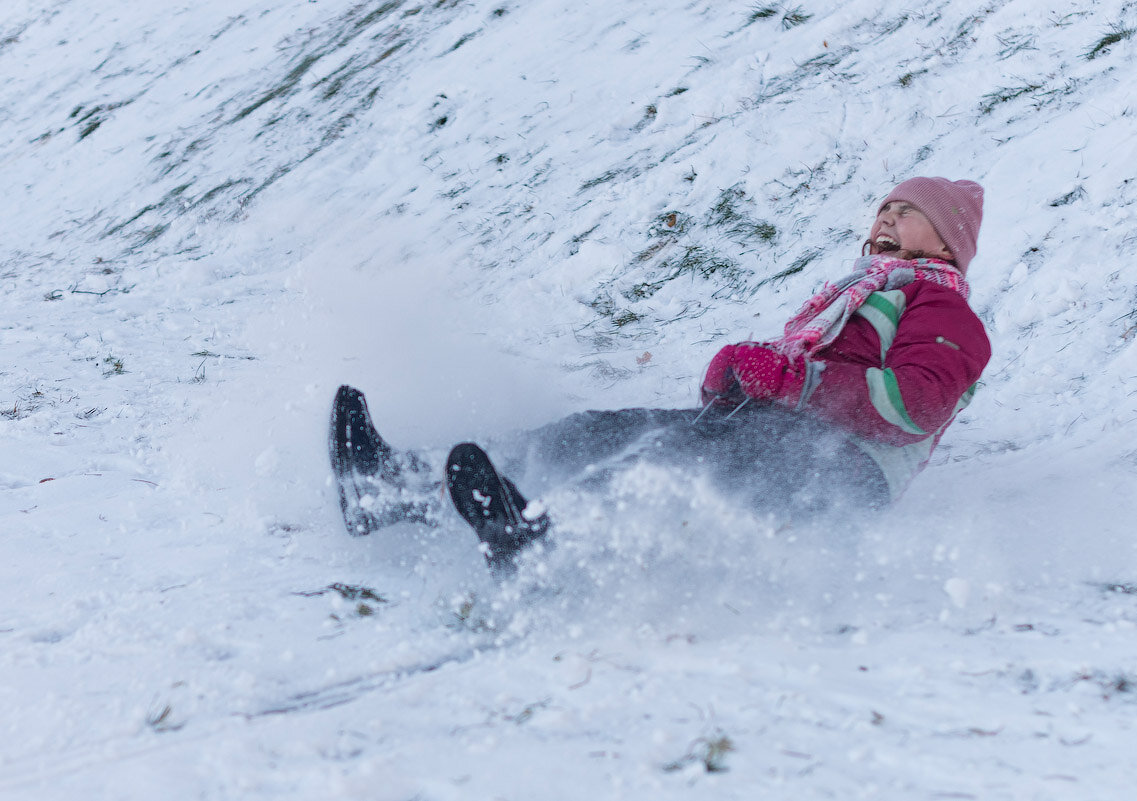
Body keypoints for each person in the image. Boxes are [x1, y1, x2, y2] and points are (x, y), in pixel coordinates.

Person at [329, 177, 991, 573]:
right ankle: (392, 488)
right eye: (883, 207)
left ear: (945, 243)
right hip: (766, 428)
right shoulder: (850, 294)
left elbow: (916, 405)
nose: (886, 218)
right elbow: (794, 374)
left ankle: (547, 552)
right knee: (598, 431)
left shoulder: (942, 307)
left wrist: (795, 384)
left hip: (842, 468)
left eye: (907, 212)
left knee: (659, 467)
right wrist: (735, 376)